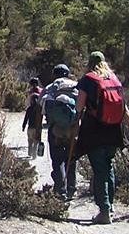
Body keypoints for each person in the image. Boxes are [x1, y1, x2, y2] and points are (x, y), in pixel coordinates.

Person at [73, 51, 129, 225]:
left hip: (94, 130)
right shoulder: (113, 79)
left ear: (90, 63)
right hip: (114, 132)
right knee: (108, 167)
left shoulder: (88, 79)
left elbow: (79, 107)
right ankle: (109, 207)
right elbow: (125, 110)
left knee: (99, 170)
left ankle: (104, 211)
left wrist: (75, 127)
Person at [39, 63, 78, 200]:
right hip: (72, 130)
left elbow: (41, 105)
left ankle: (60, 189)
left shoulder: (51, 87)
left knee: (57, 159)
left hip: (55, 129)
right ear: (67, 73)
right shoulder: (76, 86)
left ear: (54, 74)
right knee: (71, 159)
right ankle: (72, 188)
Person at [22, 92, 43, 159]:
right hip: (37, 128)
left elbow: (26, 118)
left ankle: (30, 153)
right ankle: (34, 155)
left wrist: (23, 126)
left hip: (30, 128)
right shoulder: (40, 109)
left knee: (30, 141)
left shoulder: (29, 108)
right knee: (36, 142)